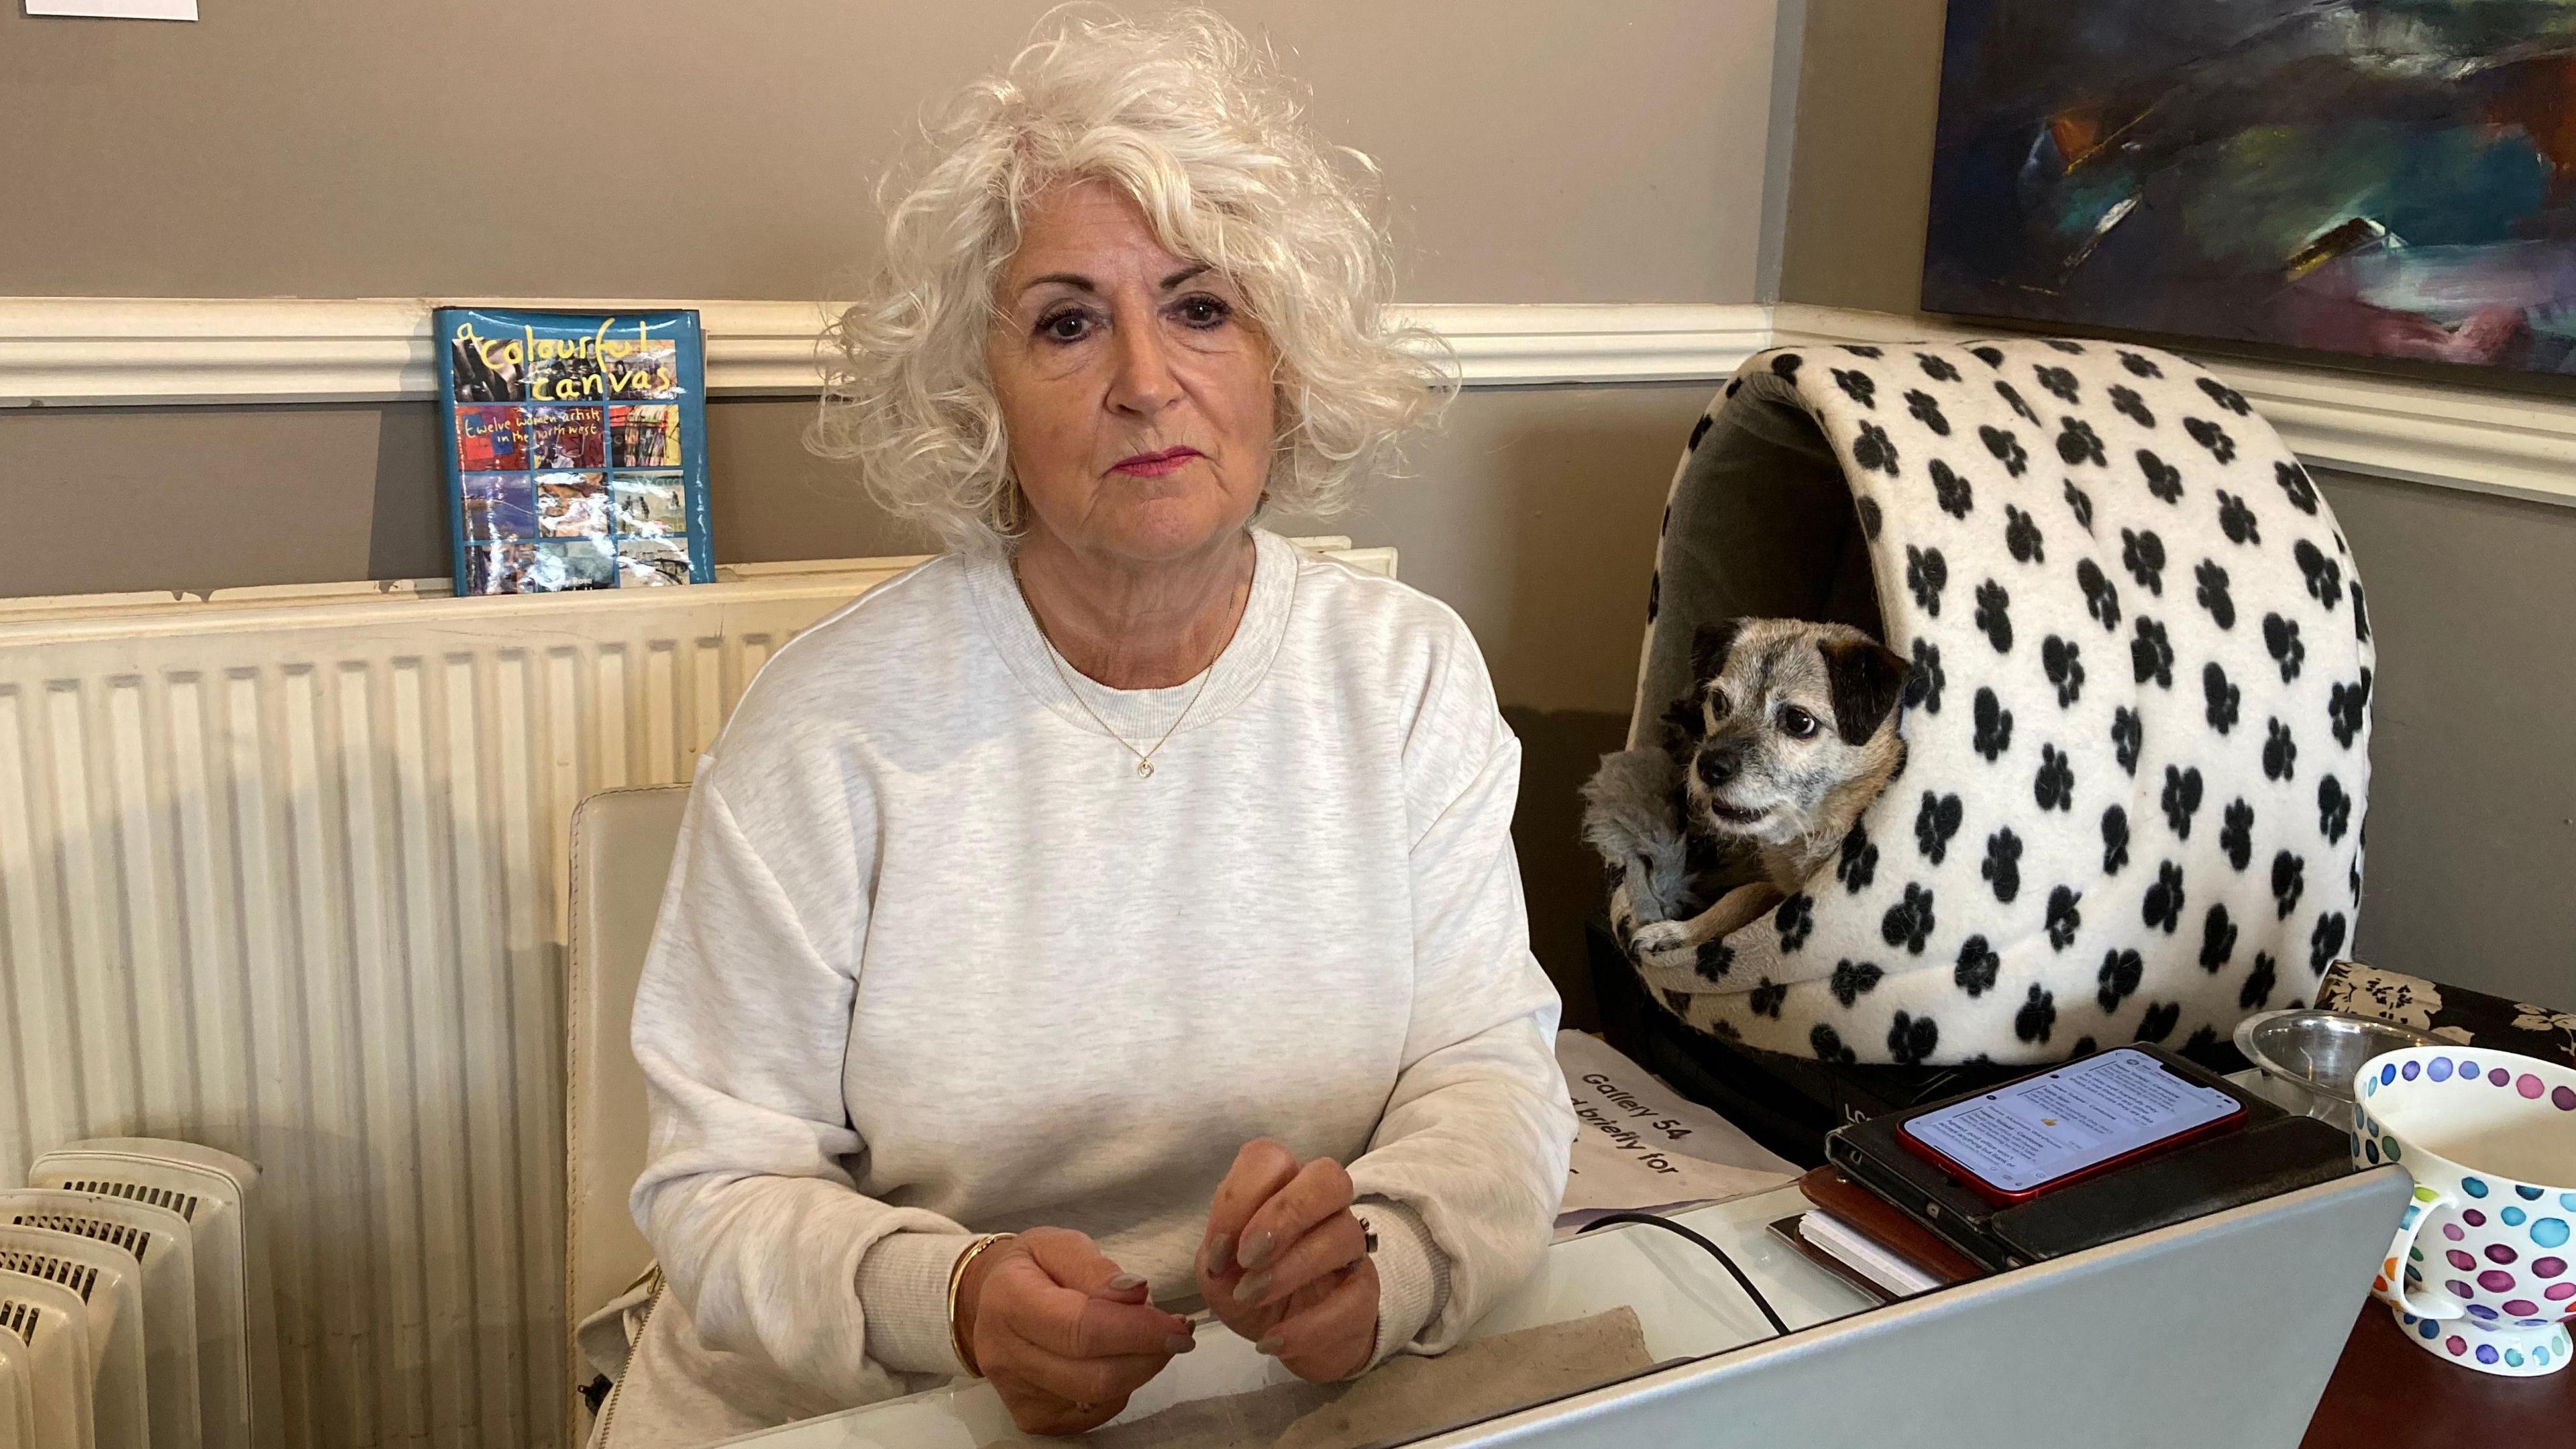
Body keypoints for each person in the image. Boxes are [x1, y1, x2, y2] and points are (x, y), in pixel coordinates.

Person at [598, 11, 1574, 1444]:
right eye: (1066, 320)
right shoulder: (827, 727)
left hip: (1270, 1395)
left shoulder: (1407, 679)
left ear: (1280, 354)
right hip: (872, 1408)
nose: (1143, 378)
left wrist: (1395, 1256)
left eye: (1200, 305)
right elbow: (716, 1187)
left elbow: (1489, 1069)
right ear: (979, 395)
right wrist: (957, 1298)